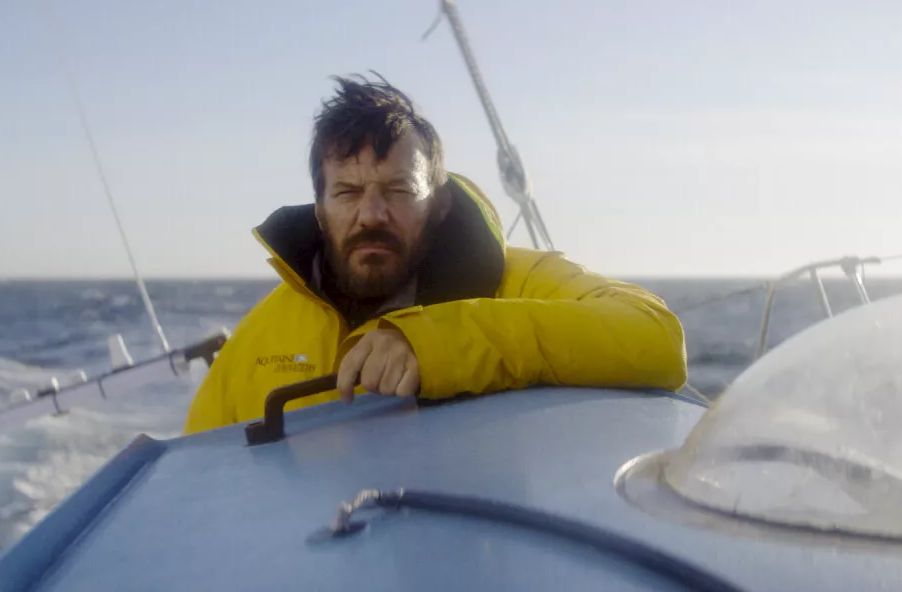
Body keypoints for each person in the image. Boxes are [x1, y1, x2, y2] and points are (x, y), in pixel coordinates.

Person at [183, 74, 687, 434]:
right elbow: (191, 482)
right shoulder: (260, 336)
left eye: (399, 190)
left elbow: (656, 338)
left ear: (440, 204)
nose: (372, 214)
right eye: (348, 193)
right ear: (319, 210)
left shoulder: (516, 282)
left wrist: (434, 346)